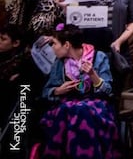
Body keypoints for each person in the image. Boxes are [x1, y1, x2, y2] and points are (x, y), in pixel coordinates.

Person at [41, 24, 120, 158]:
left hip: (95, 104)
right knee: (70, 109)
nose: (52, 48)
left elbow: (108, 91)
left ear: (66, 45)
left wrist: (93, 75)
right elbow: (45, 91)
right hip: (67, 104)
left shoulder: (99, 57)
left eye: (54, 43)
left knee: (81, 110)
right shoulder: (59, 63)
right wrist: (58, 90)